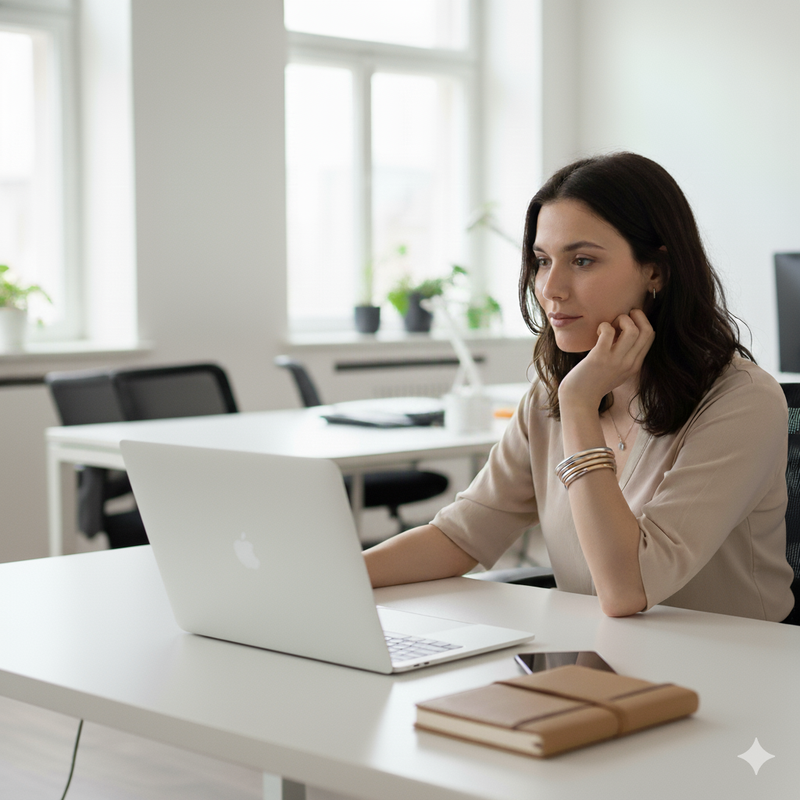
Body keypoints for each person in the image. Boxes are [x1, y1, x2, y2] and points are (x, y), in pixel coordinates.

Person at [364, 152, 796, 622]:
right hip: (598, 659)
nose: (551, 287)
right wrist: (340, 575)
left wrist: (578, 405)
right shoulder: (551, 395)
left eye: (583, 260)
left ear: (656, 271)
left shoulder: (741, 402)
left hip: (732, 672)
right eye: (542, 261)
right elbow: (462, 535)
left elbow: (627, 589)